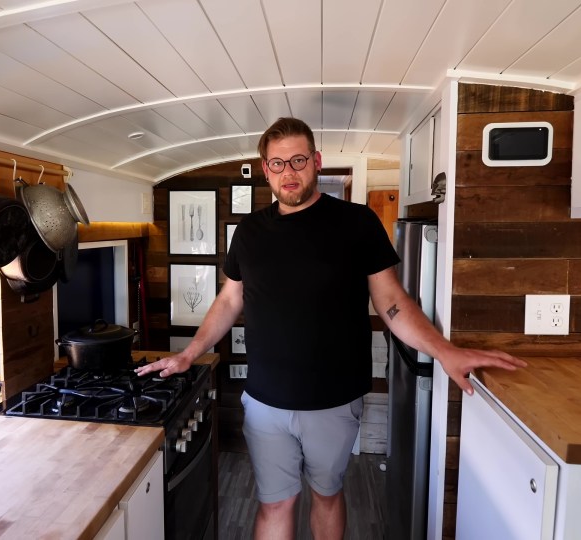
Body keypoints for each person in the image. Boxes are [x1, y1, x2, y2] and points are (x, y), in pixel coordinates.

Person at [136, 117, 526, 539]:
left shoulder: (356, 223)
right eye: (278, 163)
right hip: (265, 400)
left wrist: (443, 350)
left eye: (299, 160)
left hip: (334, 401)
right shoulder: (249, 232)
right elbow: (230, 299)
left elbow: (391, 300)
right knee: (275, 503)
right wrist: (190, 352)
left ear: (316, 161)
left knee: (326, 494)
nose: (289, 172)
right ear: (265, 169)